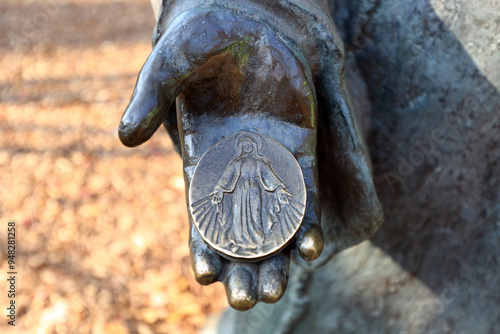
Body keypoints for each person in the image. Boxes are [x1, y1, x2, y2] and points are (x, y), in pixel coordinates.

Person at [210, 134, 291, 250]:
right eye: (244, 145)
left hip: (254, 189)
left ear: (254, 146)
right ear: (240, 148)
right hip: (239, 191)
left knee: (255, 213)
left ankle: (257, 240)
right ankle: (240, 240)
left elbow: (270, 176)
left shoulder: (260, 162)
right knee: (238, 214)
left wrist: (279, 188)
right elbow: (226, 177)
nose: (247, 147)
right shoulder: (235, 163)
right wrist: (219, 189)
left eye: (249, 145)